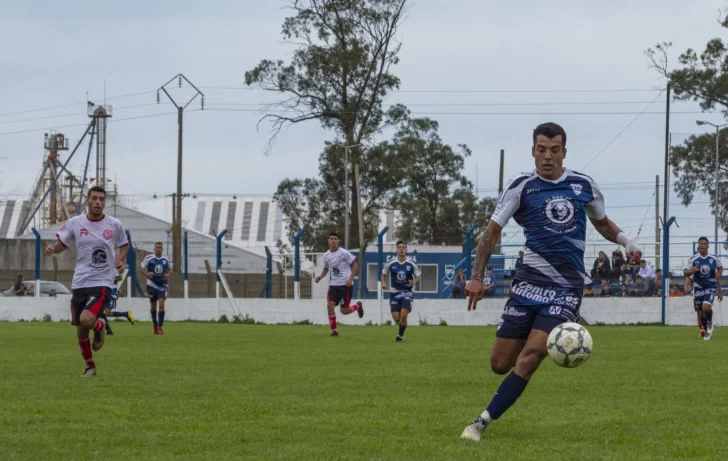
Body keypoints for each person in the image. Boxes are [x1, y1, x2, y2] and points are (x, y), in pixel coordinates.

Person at [459, 122, 641, 441]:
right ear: (533, 151)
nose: (547, 157)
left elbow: (603, 224)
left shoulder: (583, 185)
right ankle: (532, 347)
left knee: (530, 358)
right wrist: (476, 277)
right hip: (527, 285)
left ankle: (479, 423)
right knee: (500, 363)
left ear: (563, 152)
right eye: (541, 150)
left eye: (554, 151)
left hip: (566, 289)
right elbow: (490, 233)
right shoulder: (520, 186)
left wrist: (627, 242)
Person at [44, 186, 128, 377]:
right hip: (80, 281)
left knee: (87, 319)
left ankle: (99, 328)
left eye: (101, 199)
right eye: (95, 198)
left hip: (103, 280)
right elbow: (62, 244)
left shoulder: (114, 224)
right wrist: (52, 249)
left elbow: (124, 244)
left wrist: (121, 260)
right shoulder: (75, 223)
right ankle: (90, 367)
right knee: (81, 330)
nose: (98, 202)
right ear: (88, 201)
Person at [314, 232, 364, 336]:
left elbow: (355, 266)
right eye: (331, 238)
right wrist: (320, 277)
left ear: (338, 241)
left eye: (335, 239)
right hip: (333, 286)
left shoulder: (344, 253)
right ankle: (334, 331)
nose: (333, 240)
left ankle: (357, 306)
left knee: (344, 311)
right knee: (330, 305)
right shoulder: (326, 255)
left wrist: (350, 279)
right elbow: (326, 269)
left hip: (345, 286)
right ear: (328, 240)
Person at [381, 240, 421, 342]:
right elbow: (383, 274)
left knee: (403, 315)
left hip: (407, 292)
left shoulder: (411, 263)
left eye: (404, 247)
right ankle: (402, 323)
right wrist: (384, 283)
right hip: (394, 293)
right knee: (396, 319)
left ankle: (400, 335)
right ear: (396, 249)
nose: (402, 249)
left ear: (406, 249)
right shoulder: (390, 263)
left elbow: (418, 275)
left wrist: (414, 281)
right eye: (400, 247)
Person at [683, 237, 723, 340]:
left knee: (706, 307)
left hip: (711, 286)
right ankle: (706, 332)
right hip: (698, 287)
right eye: (701, 244)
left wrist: (719, 289)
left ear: (708, 246)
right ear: (698, 246)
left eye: (705, 243)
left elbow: (720, 268)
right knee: (700, 313)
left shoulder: (714, 258)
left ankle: (709, 325)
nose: (703, 245)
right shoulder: (693, 259)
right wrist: (692, 270)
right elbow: (685, 272)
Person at [140, 242, 172, 335]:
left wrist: (168, 275)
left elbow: (170, 269)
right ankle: (155, 325)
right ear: (154, 249)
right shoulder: (149, 258)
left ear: (162, 249)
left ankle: (160, 327)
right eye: (157, 247)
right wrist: (147, 274)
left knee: (161, 304)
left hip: (163, 284)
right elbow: (141, 268)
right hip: (151, 285)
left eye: (160, 247)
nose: (158, 249)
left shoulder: (166, 259)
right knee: (153, 306)